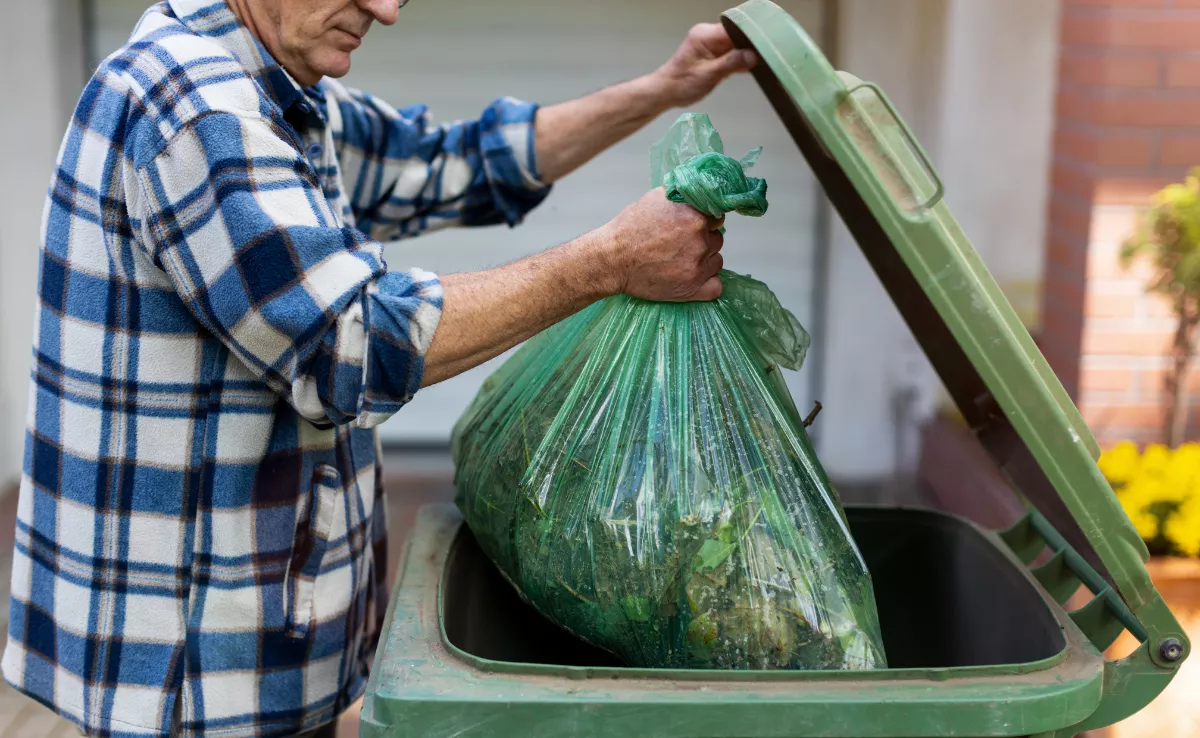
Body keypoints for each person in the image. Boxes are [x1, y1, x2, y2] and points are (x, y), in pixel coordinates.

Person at [2, 0, 756, 735]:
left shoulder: (279, 90)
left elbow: (458, 161)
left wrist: (666, 87)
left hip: (252, 634)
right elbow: (349, 343)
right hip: (195, 670)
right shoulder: (199, 111)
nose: (386, 10)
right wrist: (610, 262)